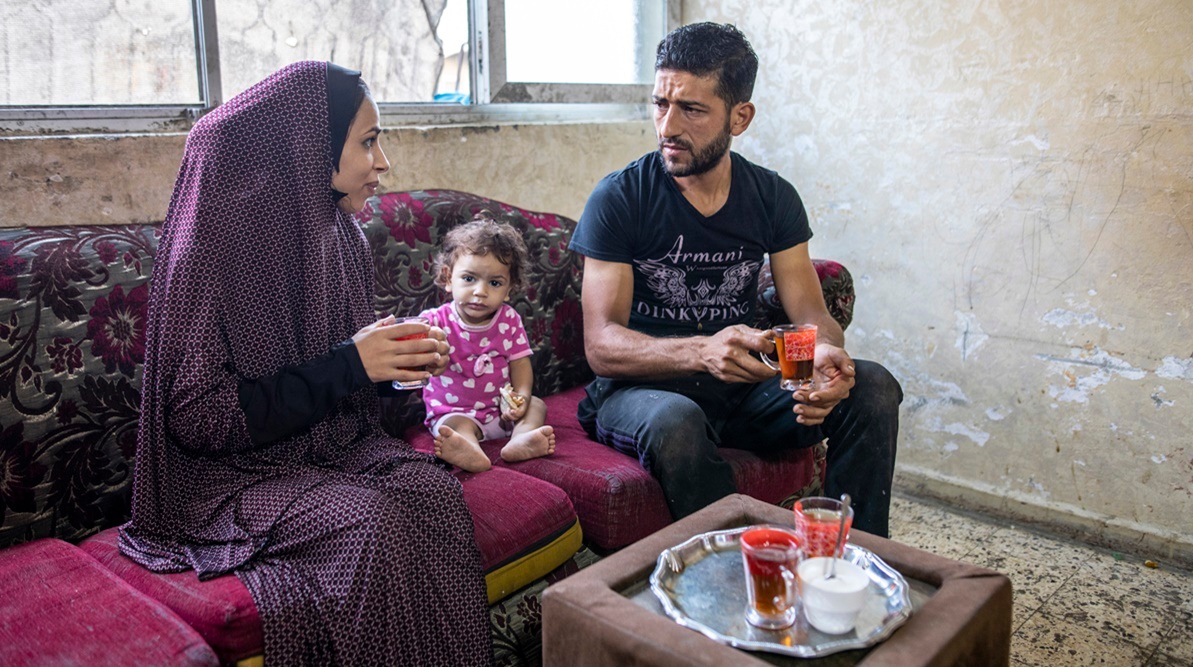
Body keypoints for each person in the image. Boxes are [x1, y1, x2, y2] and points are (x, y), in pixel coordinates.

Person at [118, 61, 491, 665]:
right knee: (369, 525)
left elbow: (341, 377)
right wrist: (351, 364)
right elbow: (198, 420)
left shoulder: (340, 235)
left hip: (319, 450)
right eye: (368, 142)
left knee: (434, 494)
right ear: (308, 149)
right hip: (222, 478)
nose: (383, 162)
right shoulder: (209, 255)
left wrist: (391, 368)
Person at [569, 23, 903, 537]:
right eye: (660, 104)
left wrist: (818, 360)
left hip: (744, 394)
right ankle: (735, 572)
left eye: (692, 110)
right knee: (675, 422)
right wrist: (702, 351)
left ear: (740, 117)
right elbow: (602, 346)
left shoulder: (772, 197)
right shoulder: (620, 198)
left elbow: (812, 315)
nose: (667, 126)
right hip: (641, 392)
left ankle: (850, 561)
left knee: (873, 384)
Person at [420, 216, 556, 473]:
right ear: (449, 278)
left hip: (502, 415)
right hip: (455, 411)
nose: (480, 291)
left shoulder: (509, 320)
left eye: (494, 283)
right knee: (453, 428)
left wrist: (522, 398)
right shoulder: (434, 321)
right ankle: (467, 448)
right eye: (469, 278)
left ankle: (520, 440)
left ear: (508, 289)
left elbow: (520, 365)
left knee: (537, 405)